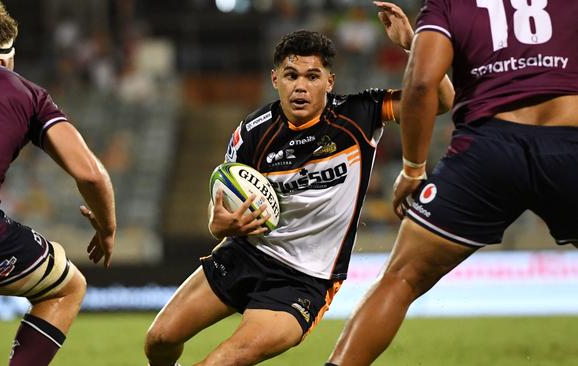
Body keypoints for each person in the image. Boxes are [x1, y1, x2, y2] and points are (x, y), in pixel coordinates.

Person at [145, 2, 453, 365]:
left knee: (219, 362)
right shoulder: (252, 133)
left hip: (304, 279)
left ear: (329, 81)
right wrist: (217, 223)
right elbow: (222, 204)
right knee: (159, 340)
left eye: (312, 76)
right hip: (246, 253)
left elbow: (442, 100)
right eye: (291, 76)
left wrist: (412, 45)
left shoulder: (359, 115)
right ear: (276, 79)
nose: (301, 87)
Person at [327, 0, 578, 365]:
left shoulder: (449, 3)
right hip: (570, 144)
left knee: (401, 279)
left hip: (488, 151)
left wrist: (413, 168)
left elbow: (420, 84)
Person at [0, 1, 116, 365]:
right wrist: (107, 228)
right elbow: (91, 173)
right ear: (7, 53)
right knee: (67, 289)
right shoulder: (28, 93)